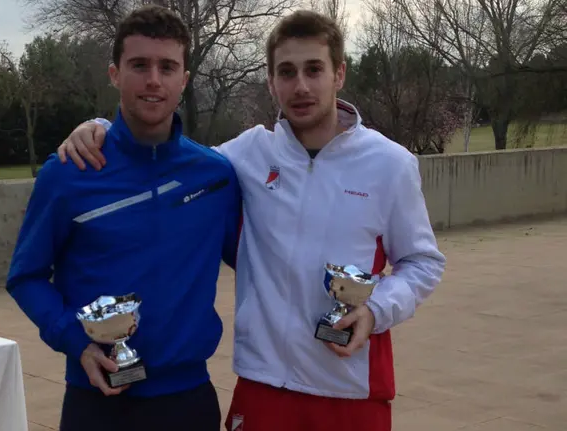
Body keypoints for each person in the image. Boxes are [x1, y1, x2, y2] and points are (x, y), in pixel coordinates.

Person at [56, 10, 446, 431]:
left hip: (351, 387)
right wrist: (102, 127)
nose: (300, 86)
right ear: (271, 82)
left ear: (339, 74)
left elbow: (422, 262)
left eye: (314, 70)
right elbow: (174, 157)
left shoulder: (390, 164)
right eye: (287, 72)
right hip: (264, 385)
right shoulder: (248, 154)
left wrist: (376, 311)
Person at [5, 5, 241, 431]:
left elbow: (256, 259)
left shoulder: (216, 176)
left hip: (188, 401)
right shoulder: (69, 173)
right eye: (139, 65)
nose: (153, 79)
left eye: (167, 67)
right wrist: (76, 343)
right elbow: (25, 276)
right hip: (97, 402)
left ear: (184, 80)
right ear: (115, 74)